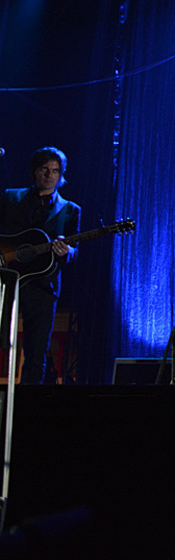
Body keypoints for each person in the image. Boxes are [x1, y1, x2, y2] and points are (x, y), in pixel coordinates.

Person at [1, 147, 81, 384]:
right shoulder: (10, 197)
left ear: (61, 175)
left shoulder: (70, 210)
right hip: (8, 278)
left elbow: (75, 250)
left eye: (55, 171)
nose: (49, 174)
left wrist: (67, 251)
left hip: (42, 285)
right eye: (44, 169)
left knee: (37, 351)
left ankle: (29, 407)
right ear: (34, 172)